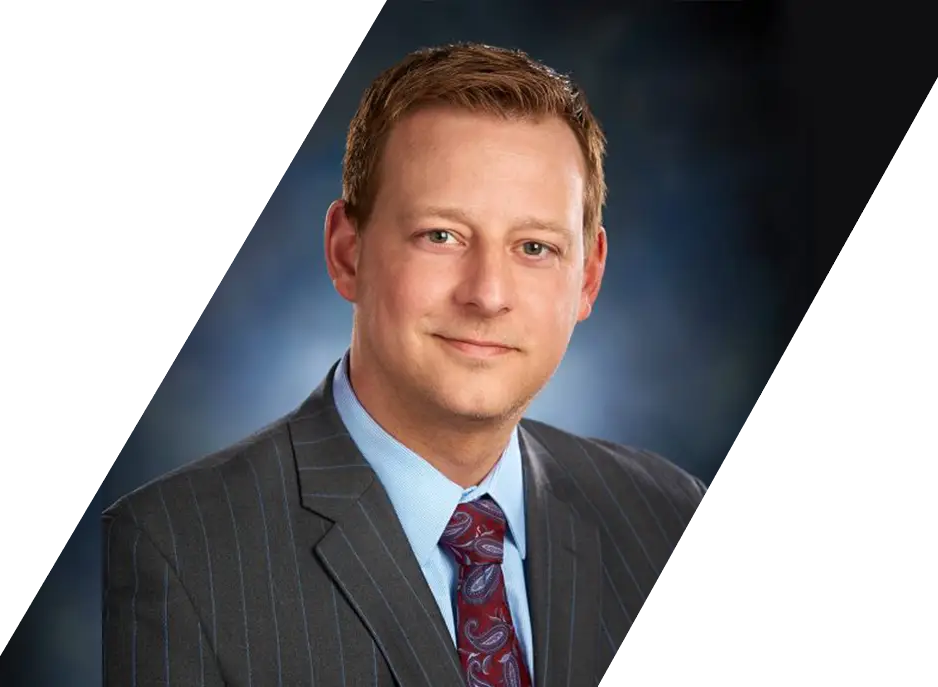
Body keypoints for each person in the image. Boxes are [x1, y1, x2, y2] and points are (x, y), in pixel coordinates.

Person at [103, 42, 746, 687]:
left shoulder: (672, 523)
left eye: (534, 246)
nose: (487, 294)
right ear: (347, 253)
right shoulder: (179, 551)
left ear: (589, 277)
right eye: (441, 236)